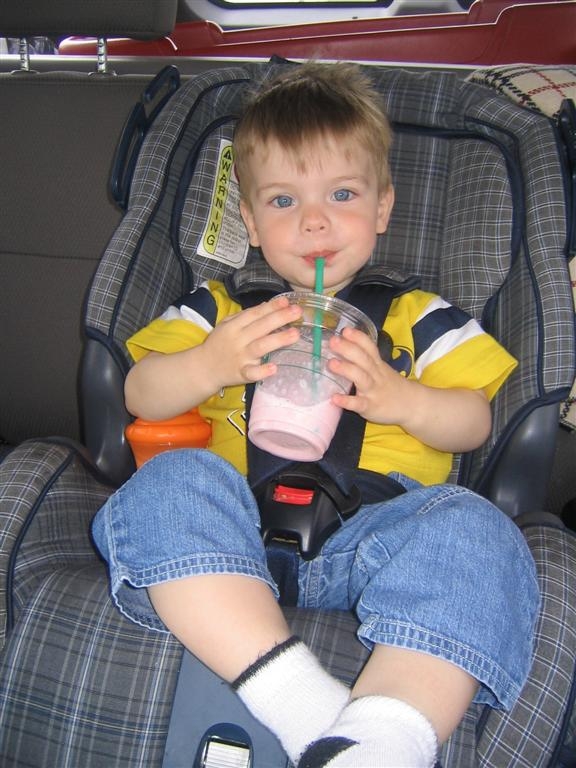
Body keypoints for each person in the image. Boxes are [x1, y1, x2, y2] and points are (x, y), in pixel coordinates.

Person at [92, 61, 539, 768]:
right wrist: (210, 363)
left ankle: (388, 738)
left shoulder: (422, 317)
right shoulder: (222, 309)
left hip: (376, 538)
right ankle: (307, 706)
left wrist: (400, 397)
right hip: (232, 535)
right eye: (282, 200)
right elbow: (141, 392)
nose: (314, 220)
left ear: (383, 209)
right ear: (249, 220)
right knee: (165, 487)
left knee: (476, 530)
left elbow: (474, 423)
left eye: (342, 194)